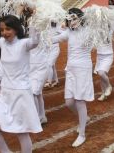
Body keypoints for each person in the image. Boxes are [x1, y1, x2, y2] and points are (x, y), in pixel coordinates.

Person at [0, 15, 42, 153]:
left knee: (21, 133)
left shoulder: (24, 44)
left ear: (16, 29)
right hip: (4, 94)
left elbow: (35, 40)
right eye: (2, 30)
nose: (4, 33)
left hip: (21, 94)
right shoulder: (1, 43)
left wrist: (34, 20)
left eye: (8, 29)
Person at [50, 8, 93, 147]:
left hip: (83, 69)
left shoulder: (89, 32)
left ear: (81, 18)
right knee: (69, 102)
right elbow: (54, 39)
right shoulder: (69, 32)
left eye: (74, 19)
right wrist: (42, 32)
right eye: (70, 19)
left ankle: (82, 134)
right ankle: (84, 118)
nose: (71, 22)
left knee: (80, 101)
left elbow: (98, 35)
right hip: (71, 69)